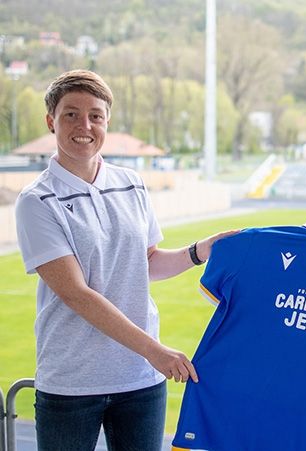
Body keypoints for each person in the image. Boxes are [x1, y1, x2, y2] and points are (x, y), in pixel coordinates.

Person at [14, 69, 235, 451]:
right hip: (73, 382)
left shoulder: (131, 182)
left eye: (95, 115)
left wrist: (200, 250)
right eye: (71, 114)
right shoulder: (36, 201)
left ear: (107, 123)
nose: (84, 125)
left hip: (140, 381)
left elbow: (146, 262)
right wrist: (156, 350)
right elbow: (76, 294)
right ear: (51, 121)